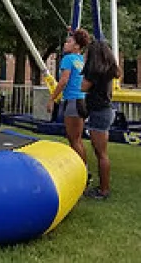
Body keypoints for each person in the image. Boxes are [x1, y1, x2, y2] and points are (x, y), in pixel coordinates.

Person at [81, 40, 121, 200]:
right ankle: (103, 188)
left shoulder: (94, 72)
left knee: (101, 153)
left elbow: (83, 87)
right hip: (105, 110)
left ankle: (103, 190)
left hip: (99, 112)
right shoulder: (108, 70)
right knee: (101, 153)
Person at [47, 29, 91, 163]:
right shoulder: (81, 59)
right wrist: (74, 32)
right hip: (82, 100)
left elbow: (64, 80)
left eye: (69, 41)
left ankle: (83, 170)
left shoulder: (68, 59)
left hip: (72, 100)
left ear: (76, 46)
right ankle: (82, 168)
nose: (65, 44)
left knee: (74, 139)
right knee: (77, 139)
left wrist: (52, 98)